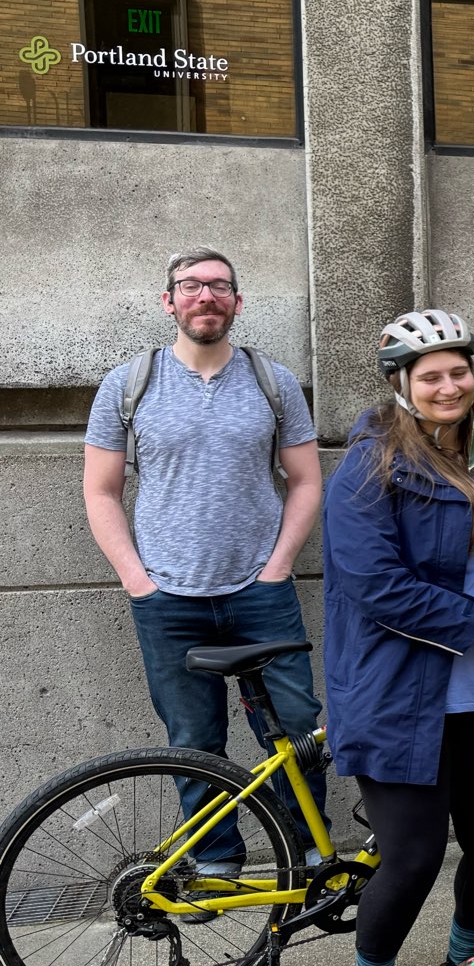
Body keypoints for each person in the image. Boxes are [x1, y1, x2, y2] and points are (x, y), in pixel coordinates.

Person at [322, 310, 474, 966]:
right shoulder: (371, 467)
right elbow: (376, 586)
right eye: (431, 376)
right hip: (401, 694)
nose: (450, 386)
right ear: (401, 384)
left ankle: (462, 955)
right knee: (413, 855)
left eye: (459, 371)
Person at [82, 248, 325, 872]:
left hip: (261, 593)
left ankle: (306, 859)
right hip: (167, 599)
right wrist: (137, 581)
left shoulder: (273, 382)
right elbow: (101, 491)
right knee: (193, 741)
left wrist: (278, 567)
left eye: (219, 286)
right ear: (169, 301)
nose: (205, 296)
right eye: (190, 286)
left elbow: (305, 480)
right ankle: (216, 863)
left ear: (237, 302)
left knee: (296, 730)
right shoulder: (128, 384)